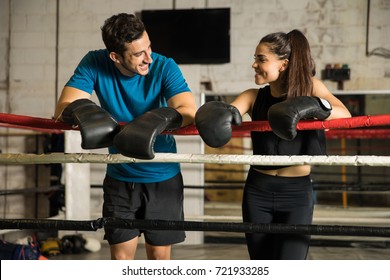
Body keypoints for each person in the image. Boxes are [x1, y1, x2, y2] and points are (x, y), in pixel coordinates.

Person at [195, 29, 351, 260]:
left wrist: (314, 106)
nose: (254, 64)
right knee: (261, 264)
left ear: (283, 64)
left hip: (296, 193)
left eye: (261, 59)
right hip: (258, 190)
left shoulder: (310, 87)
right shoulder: (252, 96)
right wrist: (215, 117)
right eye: (255, 58)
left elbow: (345, 116)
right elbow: (226, 113)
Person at [54, 13, 197, 260]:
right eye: (138, 54)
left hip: (163, 176)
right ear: (115, 56)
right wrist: (85, 113)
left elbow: (188, 110)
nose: (148, 58)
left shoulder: (164, 66)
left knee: (159, 260)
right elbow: (63, 107)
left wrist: (157, 120)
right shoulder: (94, 62)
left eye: (149, 47)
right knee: (120, 261)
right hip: (120, 177)